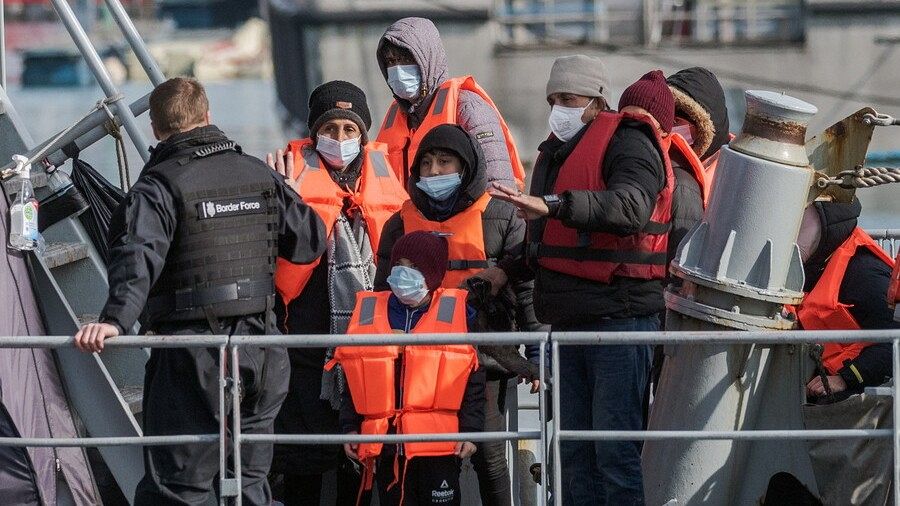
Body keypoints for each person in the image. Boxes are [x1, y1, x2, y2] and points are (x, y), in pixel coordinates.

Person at [74, 77, 327, 505]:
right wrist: (291, 195)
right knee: (249, 483)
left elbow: (137, 256)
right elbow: (310, 242)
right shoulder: (258, 173)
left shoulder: (157, 187)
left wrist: (115, 319)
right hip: (262, 350)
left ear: (155, 129)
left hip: (192, 356)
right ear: (209, 116)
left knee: (180, 488)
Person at [490, 62, 675, 505]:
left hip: (620, 321)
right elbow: (550, 242)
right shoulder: (558, 153)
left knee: (614, 454)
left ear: (596, 102)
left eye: (568, 101)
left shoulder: (631, 141)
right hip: (571, 324)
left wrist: (553, 204)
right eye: (553, 101)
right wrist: (505, 270)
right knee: (573, 453)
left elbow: (630, 206)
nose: (558, 110)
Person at [374, 124, 543, 506]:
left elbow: (526, 288)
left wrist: (537, 355)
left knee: (489, 455)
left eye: (444, 162)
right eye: (426, 163)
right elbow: (382, 293)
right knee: (420, 455)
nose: (433, 172)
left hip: (483, 357)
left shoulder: (501, 215)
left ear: (465, 167)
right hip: (415, 360)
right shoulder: (399, 222)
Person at [265, 80, 408, 505]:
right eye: (330, 129)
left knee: (358, 466)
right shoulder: (284, 178)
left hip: (367, 353)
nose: (340, 139)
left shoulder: (387, 181)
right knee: (303, 468)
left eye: (350, 129)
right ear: (314, 134)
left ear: (363, 134)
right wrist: (282, 199)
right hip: (306, 350)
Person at [332, 231, 486, 506]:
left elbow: (473, 379)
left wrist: (471, 430)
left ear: (433, 273)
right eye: (399, 265)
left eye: (414, 267)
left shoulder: (461, 315)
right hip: (386, 447)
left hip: (439, 448)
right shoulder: (368, 311)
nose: (405, 273)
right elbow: (355, 379)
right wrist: (350, 428)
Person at [374, 17, 526, 190]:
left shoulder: (468, 107)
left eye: (406, 60)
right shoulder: (394, 117)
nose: (398, 69)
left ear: (427, 60)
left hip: (464, 216)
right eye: (391, 62)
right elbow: (378, 184)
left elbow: (497, 184)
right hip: (407, 217)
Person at [795, 198, 896, 400]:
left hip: (866, 388)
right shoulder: (812, 270)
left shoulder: (865, 274)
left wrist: (844, 379)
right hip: (819, 377)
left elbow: (895, 344)